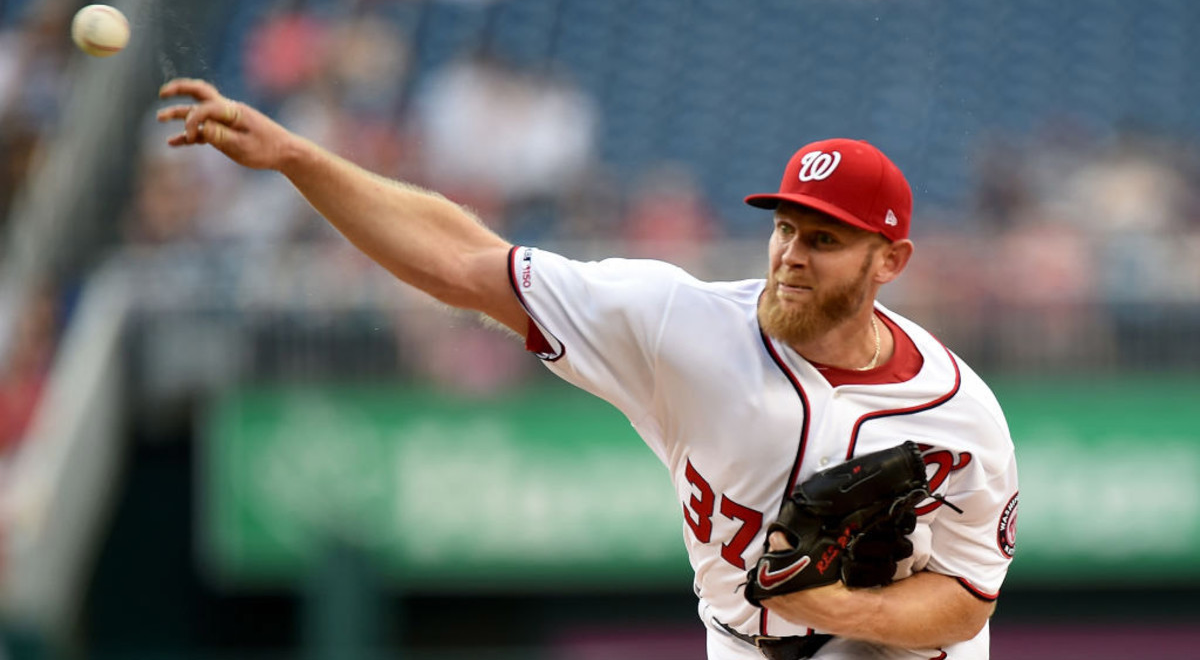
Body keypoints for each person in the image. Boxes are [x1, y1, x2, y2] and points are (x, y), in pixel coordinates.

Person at [157, 78, 1019, 660]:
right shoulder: (675, 323)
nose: (791, 254)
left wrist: (842, 612)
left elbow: (971, 594)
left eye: (823, 239)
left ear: (889, 261)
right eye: (785, 227)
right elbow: (462, 262)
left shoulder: (958, 413)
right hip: (740, 641)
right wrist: (300, 161)